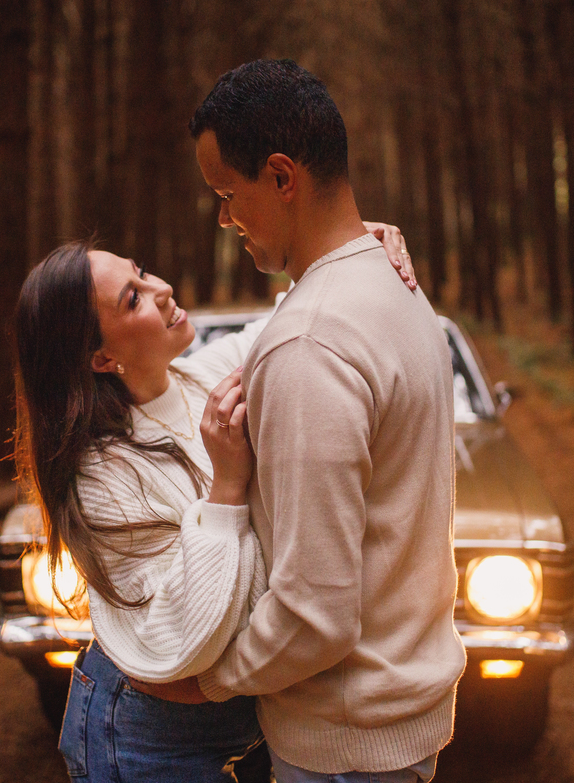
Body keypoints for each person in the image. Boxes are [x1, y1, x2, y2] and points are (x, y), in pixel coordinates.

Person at [12, 227, 413, 781]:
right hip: (143, 733)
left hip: (242, 726)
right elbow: (184, 633)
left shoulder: (202, 379)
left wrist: (352, 246)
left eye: (142, 271)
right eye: (133, 298)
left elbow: (300, 320)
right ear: (102, 357)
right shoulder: (99, 476)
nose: (161, 289)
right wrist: (225, 488)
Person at [176, 59, 466, 783]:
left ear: (281, 177)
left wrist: (205, 682)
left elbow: (315, 615)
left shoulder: (312, 340)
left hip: (344, 744)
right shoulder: (400, 297)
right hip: (397, 727)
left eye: (226, 193)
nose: (223, 218)